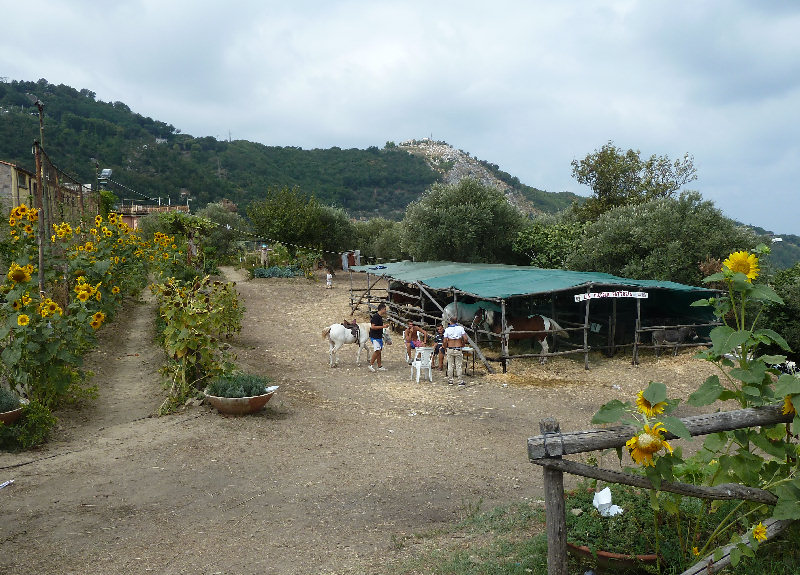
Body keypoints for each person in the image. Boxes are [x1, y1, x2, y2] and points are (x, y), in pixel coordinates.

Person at [443, 316, 468, 385]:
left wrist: (445, 347)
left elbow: (445, 341)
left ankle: (450, 380)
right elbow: (466, 338)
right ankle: (460, 381)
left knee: (450, 365)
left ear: (450, 321)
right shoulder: (460, 328)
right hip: (458, 348)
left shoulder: (447, 329)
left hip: (450, 348)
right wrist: (463, 343)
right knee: (458, 365)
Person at [368, 303, 391, 372]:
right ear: (381, 309)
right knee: (377, 351)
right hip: (374, 336)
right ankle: (371, 364)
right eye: (385, 309)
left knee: (379, 351)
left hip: (378, 336)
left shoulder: (380, 317)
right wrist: (383, 327)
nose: (385, 311)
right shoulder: (376, 317)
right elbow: (373, 326)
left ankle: (379, 365)